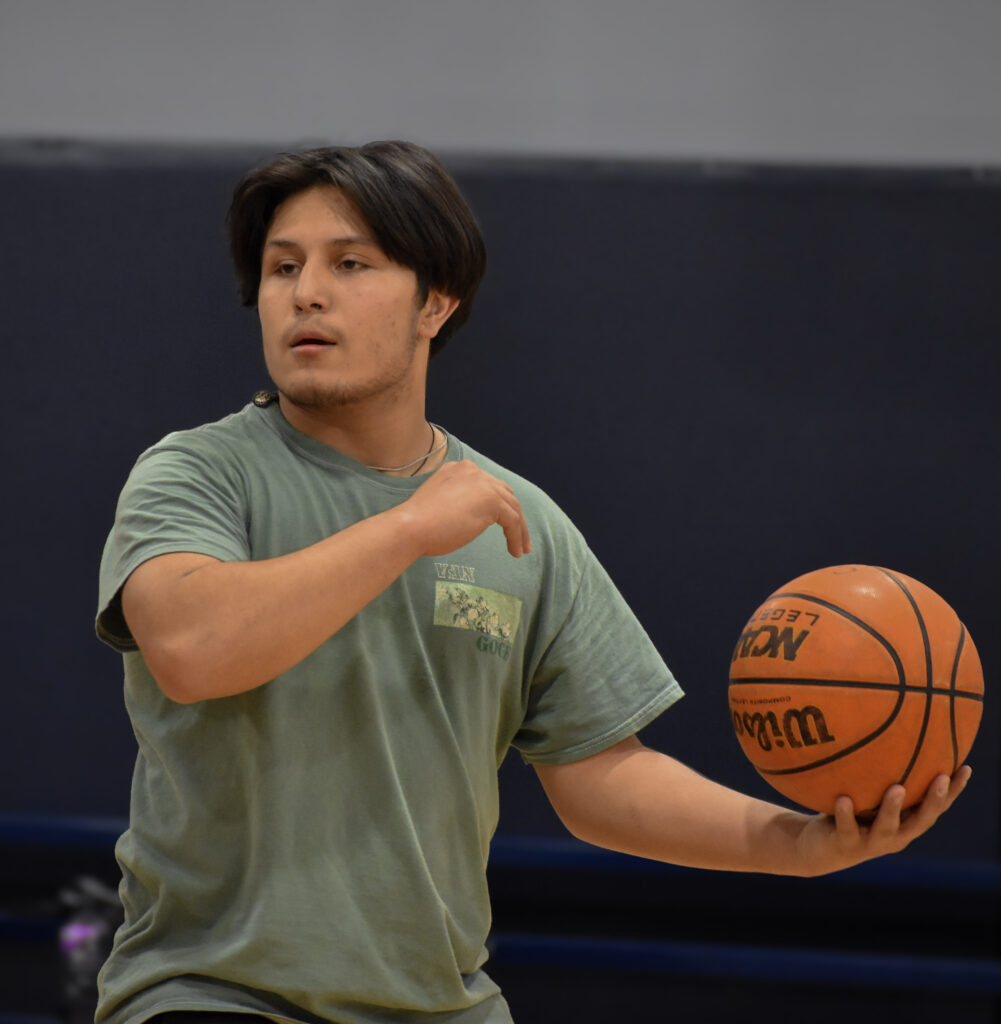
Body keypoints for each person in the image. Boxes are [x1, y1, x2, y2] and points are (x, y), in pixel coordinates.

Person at [95, 140, 969, 1024]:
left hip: (443, 1007)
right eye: (283, 268)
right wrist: (405, 529)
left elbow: (598, 777)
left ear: (436, 300)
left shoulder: (520, 523)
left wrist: (802, 848)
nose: (304, 292)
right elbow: (192, 650)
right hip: (214, 993)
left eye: (348, 263)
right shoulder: (196, 475)